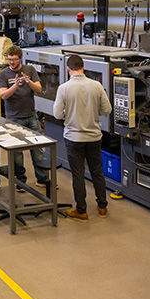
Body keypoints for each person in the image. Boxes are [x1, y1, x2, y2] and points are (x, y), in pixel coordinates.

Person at [53, 54, 112, 220]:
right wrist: (93, 112)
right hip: (94, 137)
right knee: (97, 172)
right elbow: (107, 110)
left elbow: (57, 114)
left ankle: (81, 209)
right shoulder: (96, 85)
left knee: (78, 174)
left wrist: (70, 114)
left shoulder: (64, 88)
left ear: (68, 69)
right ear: (83, 67)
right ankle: (102, 206)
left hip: (73, 138)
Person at [0, 45, 49, 186]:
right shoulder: (3, 74)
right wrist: (15, 86)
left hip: (31, 116)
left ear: (20, 58)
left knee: (38, 149)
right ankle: (20, 180)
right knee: (16, 153)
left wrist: (29, 82)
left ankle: (42, 179)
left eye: (14, 60)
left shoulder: (29, 70)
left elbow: (38, 89)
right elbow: (3, 96)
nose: (11, 63)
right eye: (9, 60)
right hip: (13, 118)